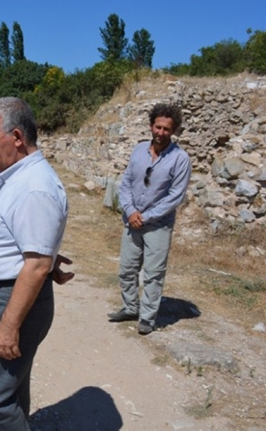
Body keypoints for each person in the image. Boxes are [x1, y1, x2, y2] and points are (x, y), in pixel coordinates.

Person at [0, 97, 70, 431]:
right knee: (8, 389)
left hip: (4, 303)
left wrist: (8, 327)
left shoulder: (33, 186)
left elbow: (36, 265)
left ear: (18, 137)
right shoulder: (17, 176)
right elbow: (33, 249)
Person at [107, 103, 192, 335]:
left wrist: (145, 216)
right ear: (150, 126)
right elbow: (125, 184)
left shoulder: (180, 158)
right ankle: (130, 307)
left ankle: (147, 317)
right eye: (158, 127)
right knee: (127, 268)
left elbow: (175, 196)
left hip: (158, 225)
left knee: (153, 274)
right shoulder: (138, 150)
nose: (161, 133)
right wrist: (130, 210)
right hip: (132, 220)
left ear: (173, 131)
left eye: (166, 129)